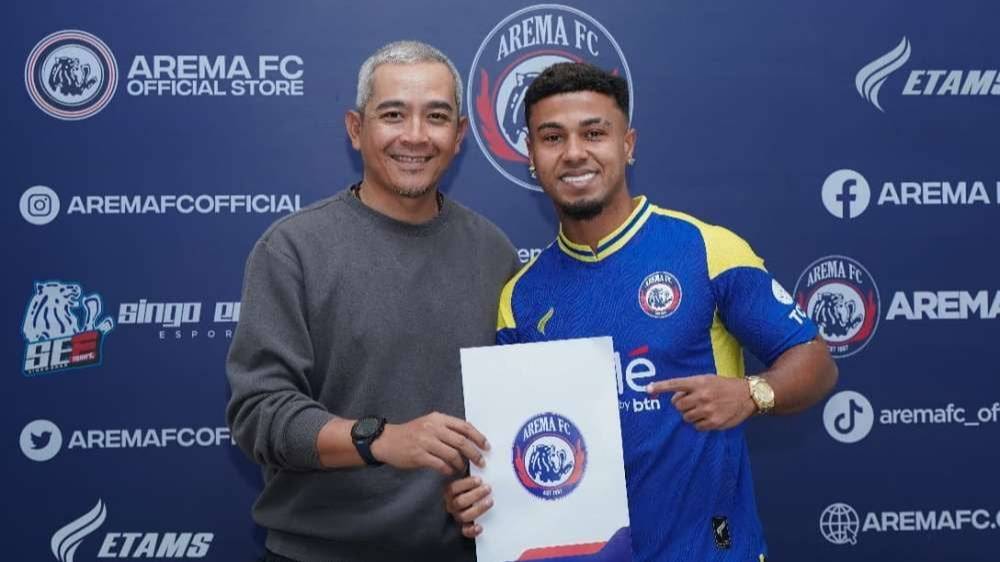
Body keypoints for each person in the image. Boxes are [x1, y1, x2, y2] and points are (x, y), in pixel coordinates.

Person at [444, 62, 838, 562]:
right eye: (553, 137)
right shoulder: (520, 298)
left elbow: (816, 362)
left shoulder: (706, 250)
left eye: (594, 133)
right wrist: (479, 499)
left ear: (627, 144)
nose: (574, 152)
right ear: (531, 156)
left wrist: (752, 393)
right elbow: (515, 449)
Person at [226, 40, 520, 562]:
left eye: (436, 116)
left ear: (459, 136)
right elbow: (260, 414)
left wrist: (485, 492)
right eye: (393, 114)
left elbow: (513, 413)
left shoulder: (494, 253)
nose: (415, 135)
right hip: (316, 554)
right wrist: (378, 439)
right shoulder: (292, 249)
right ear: (356, 129)